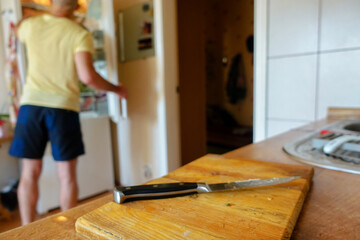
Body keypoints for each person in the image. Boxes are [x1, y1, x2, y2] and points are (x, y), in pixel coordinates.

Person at [9, 0, 127, 225]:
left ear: (51, 2)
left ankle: (25, 230)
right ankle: (67, 231)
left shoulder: (32, 25)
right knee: (66, 175)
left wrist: (26, 17)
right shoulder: (79, 33)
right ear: (76, 6)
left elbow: (15, 30)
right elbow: (88, 77)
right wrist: (117, 89)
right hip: (63, 108)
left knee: (29, 173)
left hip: (31, 106)